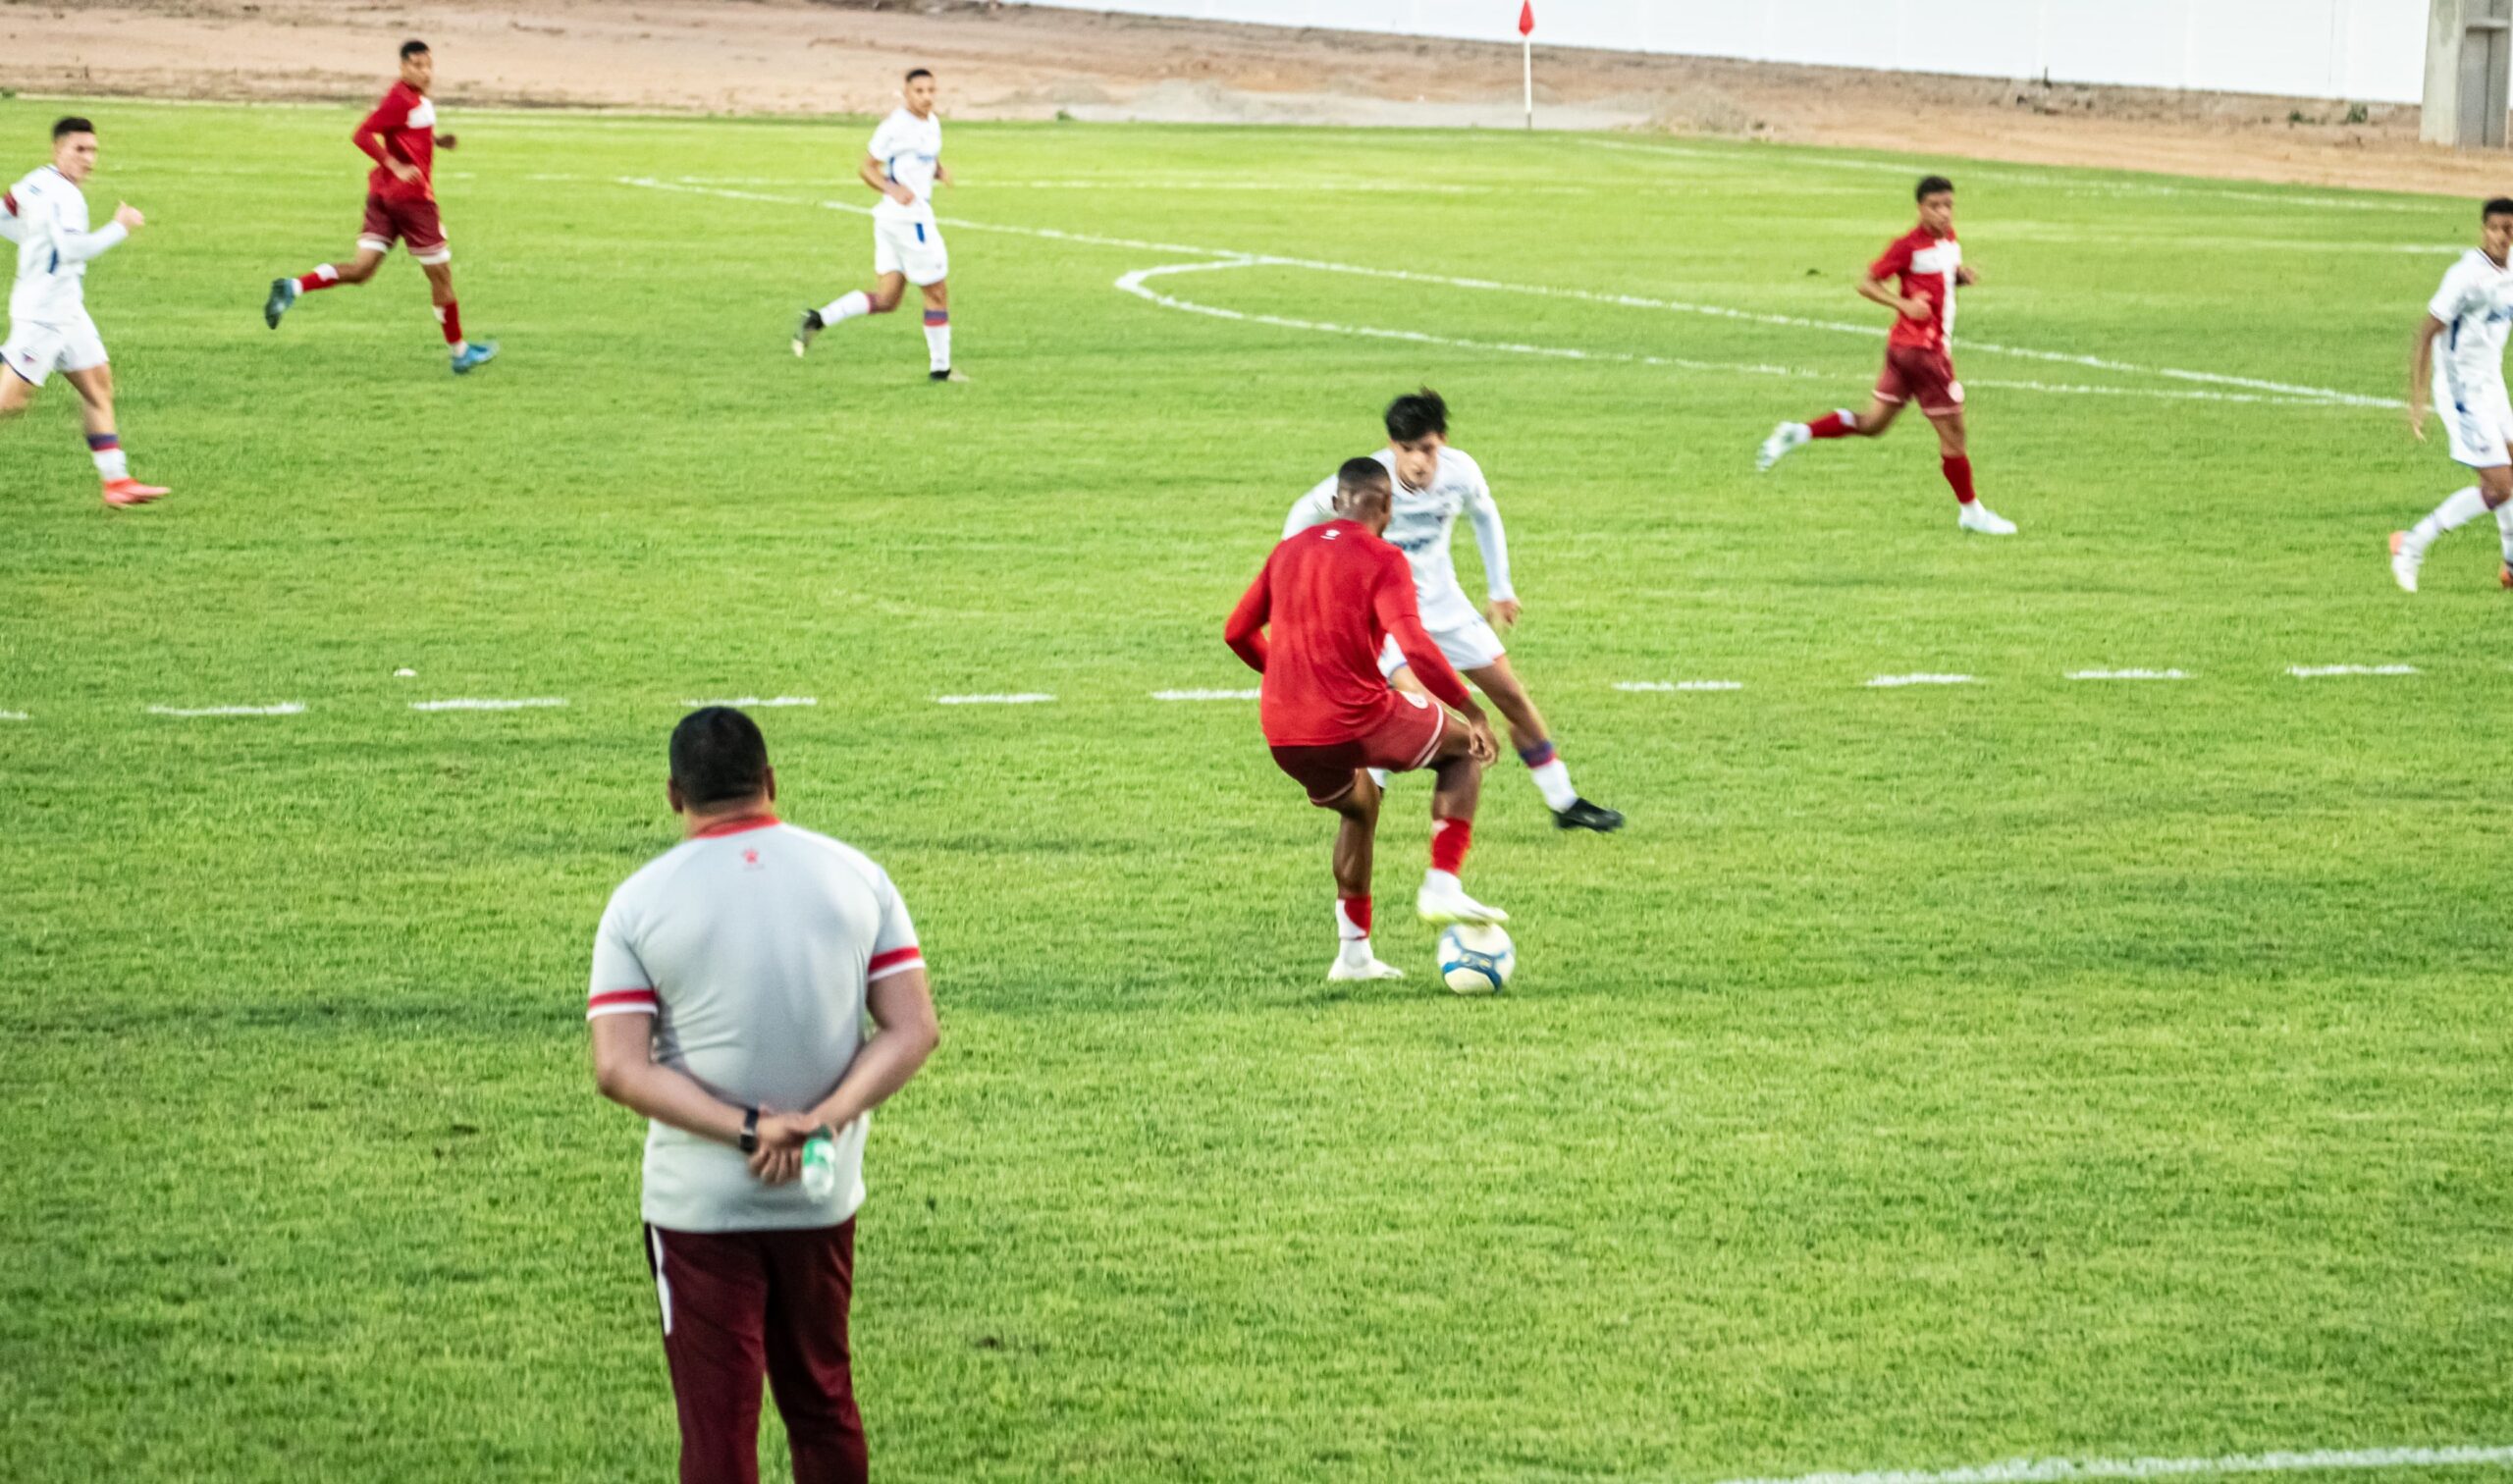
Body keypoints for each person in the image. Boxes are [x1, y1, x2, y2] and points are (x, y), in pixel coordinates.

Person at [588, 707, 939, 1484]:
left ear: (674, 794)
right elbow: (913, 1029)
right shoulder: (855, 875)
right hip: (821, 1184)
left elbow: (619, 1068)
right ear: (771, 781)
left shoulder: (639, 903)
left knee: (718, 1430)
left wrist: (749, 1130)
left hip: (700, 1202)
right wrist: (818, 1122)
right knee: (823, 1402)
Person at [1285, 390, 1623, 832]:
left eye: (1426, 449)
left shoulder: (1461, 472)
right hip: (1388, 619)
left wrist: (1500, 588)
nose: (1418, 462)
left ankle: (1564, 801)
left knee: (1512, 697)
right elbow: (1302, 512)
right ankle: (1366, 811)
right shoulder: (1368, 482)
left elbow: (1485, 516)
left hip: (1447, 606)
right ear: (1392, 446)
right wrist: (1291, 579)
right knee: (1420, 711)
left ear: (1441, 440)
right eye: (1407, 451)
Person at [1228, 457, 1506, 981]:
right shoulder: (1384, 558)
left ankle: (1353, 957)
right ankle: (1442, 883)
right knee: (1464, 748)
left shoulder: (1287, 552)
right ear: (1388, 508)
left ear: (1336, 502)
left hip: (1287, 734)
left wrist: (1290, 677)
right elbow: (1417, 647)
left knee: (1359, 807)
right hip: (1354, 714)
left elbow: (1236, 632)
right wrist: (1471, 711)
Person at [1756, 175, 2016, 536]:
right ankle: (1971, 512)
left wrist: (1959, 278)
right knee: (1954, 436)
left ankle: (1798, 432)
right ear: (1920, 208)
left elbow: (1939, 278)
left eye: (1948, 205)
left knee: (1872, 425)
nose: (1943, 213)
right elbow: (1866, 282)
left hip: (1901, 351)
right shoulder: (1907, 246)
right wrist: (1903, 304)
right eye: (1935, 206)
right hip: (1925, 352)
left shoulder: (1951, 242)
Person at [263, 39, 497, 375]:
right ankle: (460, 352)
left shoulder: (411, 100)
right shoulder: (400, 98)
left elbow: (403, 133)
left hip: (383, 198)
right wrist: (396, 165)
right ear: (402, 67)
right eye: (417, 65)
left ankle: (293, 287)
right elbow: (362, 134)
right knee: (442, 278)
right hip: (413, 202)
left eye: (428, 64)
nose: (425, 71)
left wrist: (435, 142)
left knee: (362, 270)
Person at [1, 117, 167, 506]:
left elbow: (4, 213)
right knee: (9, 403)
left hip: (66, 308)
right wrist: (120, 226)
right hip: (45, 314)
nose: (88, 159)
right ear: (57, 149)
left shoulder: (35, 181)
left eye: (92, 150)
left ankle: (116, 482)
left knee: (98, 385)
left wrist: (34, 241)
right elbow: (75, 250)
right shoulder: (66, 197)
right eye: (79, 149)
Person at [792, 67, 966, 382]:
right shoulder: (895, 126)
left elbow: (924, 156)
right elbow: (867, 167)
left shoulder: (932, 122)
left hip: (889, 221)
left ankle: (817, 319)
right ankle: (941, 371)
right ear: (906, 92)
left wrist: (937, 170)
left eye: (931, 91)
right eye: (919, 91)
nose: (926, 97)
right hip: (909, 219)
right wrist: (892, 188)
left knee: (887, 300)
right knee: (937, 293)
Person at [2391, 195, 2513, 593]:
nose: (2499, 237)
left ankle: (2511, 566)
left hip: (2491, 385)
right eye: (2493, 228)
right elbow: (2426, 333)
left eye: (2507, 230)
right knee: (2499, 485)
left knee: (2510, 475)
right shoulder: (2466, 275)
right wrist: (2417, 402)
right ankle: (2412, 543)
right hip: (2462, 392)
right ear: (2483, 229)